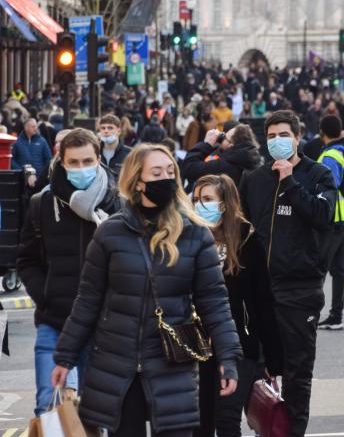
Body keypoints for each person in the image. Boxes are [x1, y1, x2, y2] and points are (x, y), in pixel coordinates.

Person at [51, 144, 242, 436]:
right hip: (117, 367)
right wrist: (65, 356)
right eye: (156, 172)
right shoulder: (110, 233)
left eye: (170, 171)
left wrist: (228, 357)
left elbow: (214, 301)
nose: (165, 178)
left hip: (172, 363)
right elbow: (88, 300)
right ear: (137, 181)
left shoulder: (194, 234)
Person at [240, 110, 336, 437]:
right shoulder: (254, 179)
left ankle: (293, 431)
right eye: (270, 136)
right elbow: (242, 229)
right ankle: (265, 427)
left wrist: (290, 182)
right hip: (259, 292)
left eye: (283, 135)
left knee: (297, 374)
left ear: (297, 137)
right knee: (256, 371)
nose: (277, 141)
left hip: (300, 290)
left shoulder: (318, 174)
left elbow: (323, 215)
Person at [17, 128, 121, 417]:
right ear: (61, 162)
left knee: (98, 413)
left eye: (87, 161)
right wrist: (46, 294)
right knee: (49, 410)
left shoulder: (117, 204)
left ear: (99, 159)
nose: (81, 168)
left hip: (104, 324)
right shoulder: (42, 204)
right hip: (55, 320)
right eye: (73, 163)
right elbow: (26, 260)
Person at [192, 174, 283, 437]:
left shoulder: (247, 240)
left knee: (227, 418)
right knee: (201, 421)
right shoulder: (189, 238)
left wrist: (273, 359)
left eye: (207, 199)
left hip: (240, 345)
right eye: (197, 199)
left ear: (225, 203)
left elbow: (263, 302)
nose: (200, 205)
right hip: (197, 344)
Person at [317, 115, 344, 330]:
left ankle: (315, 312)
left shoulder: (330, 155)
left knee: (321, 266)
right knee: (338, 268)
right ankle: (336, 314)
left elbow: (329, 185)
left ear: (322, 132)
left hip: (334, 217)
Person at [182, 124, 262, 189]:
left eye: (224, 137)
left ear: (231, 144)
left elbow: (189, 168)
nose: (221, 139)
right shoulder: (251, 160)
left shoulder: (226, 166)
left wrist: (207, 144)